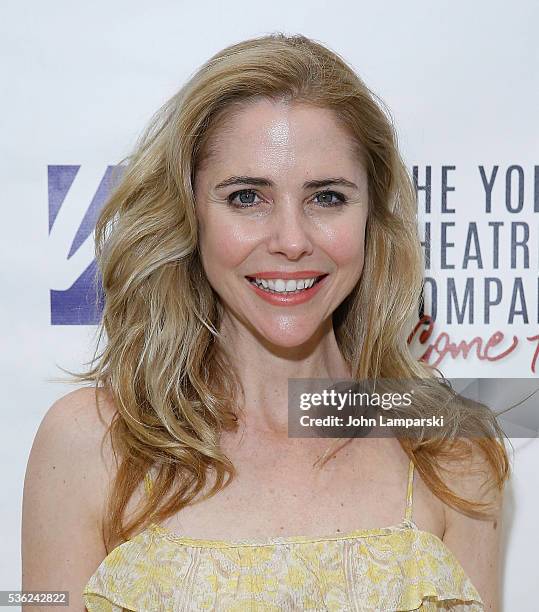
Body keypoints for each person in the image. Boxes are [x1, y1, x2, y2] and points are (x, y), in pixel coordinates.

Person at [22, 33, 509, 611]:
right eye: (247, 197)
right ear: (189, 214)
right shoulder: (91, 443)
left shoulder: (449, 451)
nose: (292, 241)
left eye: (327, 198)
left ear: (372, 218)